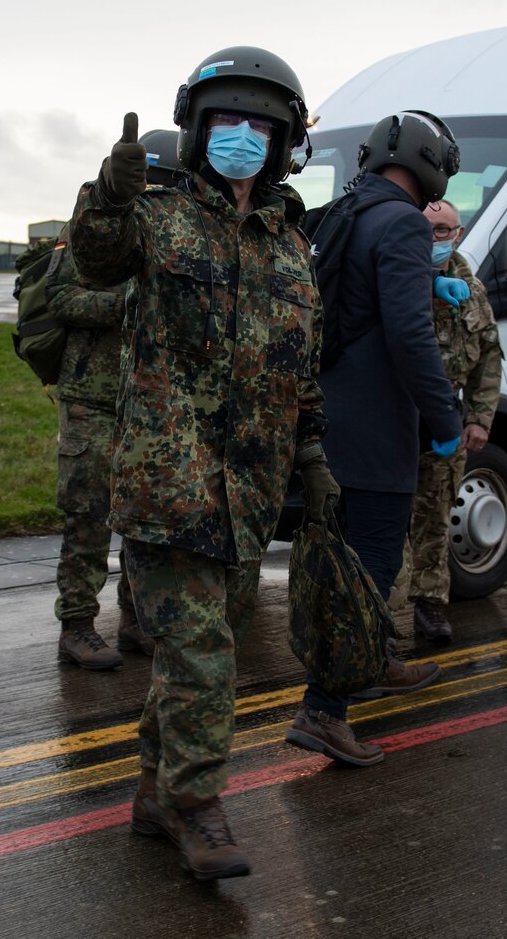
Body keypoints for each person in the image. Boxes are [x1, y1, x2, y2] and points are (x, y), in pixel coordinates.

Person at [68, 48, 327, 880]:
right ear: (194, 131)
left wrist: (312, 454)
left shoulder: (293, 249)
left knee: (191, 654)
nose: (241, 139)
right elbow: (96, 256)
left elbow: (302, 363)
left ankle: (152, 791)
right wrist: (109, 191)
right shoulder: (159, 214)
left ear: (285, 141)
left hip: (249, 488)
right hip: (165, 480)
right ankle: (195, 804)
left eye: (260, 126)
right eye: (225, 123)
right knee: (205, 651)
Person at [284, 111, 464, 768]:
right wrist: (444, 419)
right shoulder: (405, 225)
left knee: (351, 563)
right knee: (371, 570)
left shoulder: (340, 213)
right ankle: (324, 711)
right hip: (379, 431)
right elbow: (411, 337)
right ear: (428, 161)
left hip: (330, 420)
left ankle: (380, 657)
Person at [41, 132, 178, 670]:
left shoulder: (168, 228)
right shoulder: (91, 224)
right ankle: (76, 627)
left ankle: (133, 623)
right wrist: (128, 303)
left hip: (146, 399)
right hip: (91, 399)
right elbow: (61, 296)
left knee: (144, 521)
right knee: (89, 518)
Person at [390, 198, 504, 647]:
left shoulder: (470, 288)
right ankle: (384, 611)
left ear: (458, 234)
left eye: (446, 231)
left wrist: (478, 418)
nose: (438, 239)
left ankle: (430, 606)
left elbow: (489, 355)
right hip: (398, 417)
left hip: (447, 422)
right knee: (390, 521)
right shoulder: (395, 276)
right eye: (429, 229)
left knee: (436, 517)